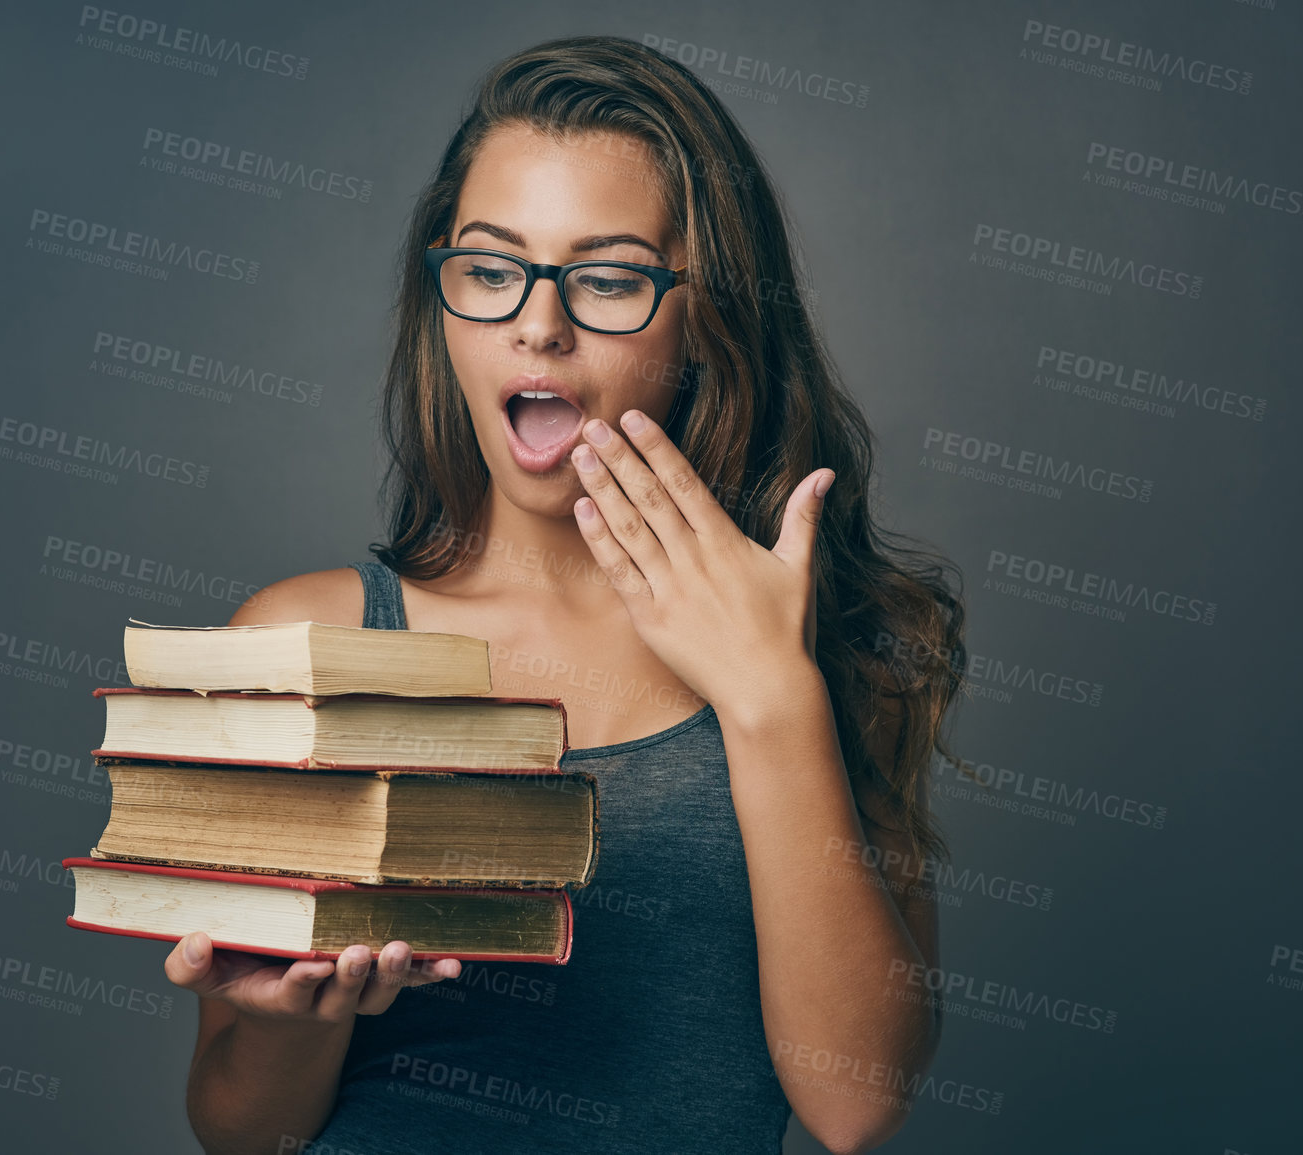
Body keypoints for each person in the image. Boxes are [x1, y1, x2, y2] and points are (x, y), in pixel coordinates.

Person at [162, 33, 966, 1155]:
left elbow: (856, 1104)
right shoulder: (309, 641)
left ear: (706, 325)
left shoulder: (827, 649)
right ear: (441, 305)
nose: (538, 324)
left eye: (607, 279)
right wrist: (295, 1020)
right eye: (492, 270)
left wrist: (769, 697)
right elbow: (242, 1133)